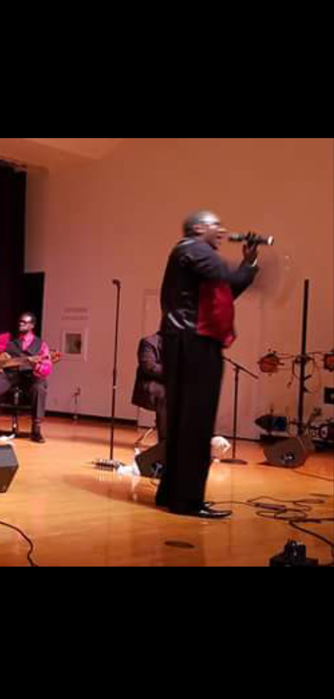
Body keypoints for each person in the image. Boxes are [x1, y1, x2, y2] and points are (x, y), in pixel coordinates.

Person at [156, 212, 258, 519]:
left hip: (189, 342)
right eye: (215, 226)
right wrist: (243, 264)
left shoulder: (194, 254)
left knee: (185, 423)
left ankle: (172, 494)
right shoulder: (193, 248)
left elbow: (227, 290)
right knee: (196, 424)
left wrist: (249, 262)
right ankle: (187, 501)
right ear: (198, 228)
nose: (222, 230)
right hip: (194, 342)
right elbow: (226, 276)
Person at [0, 313, 52, 443]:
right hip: (8, 375)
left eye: (24, 322)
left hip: (30, 377)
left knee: (40, 387)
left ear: (32, 326)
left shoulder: (41, 345)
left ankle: (36, 429)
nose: (21, 324)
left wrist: (36, 366)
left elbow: (47, 368)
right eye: (20, 321)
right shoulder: (6, 338)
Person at [132, 332, 167, 442]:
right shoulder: (149, 342)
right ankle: (165, 443)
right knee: (166, 396)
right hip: (153, 384)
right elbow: (149, 367)